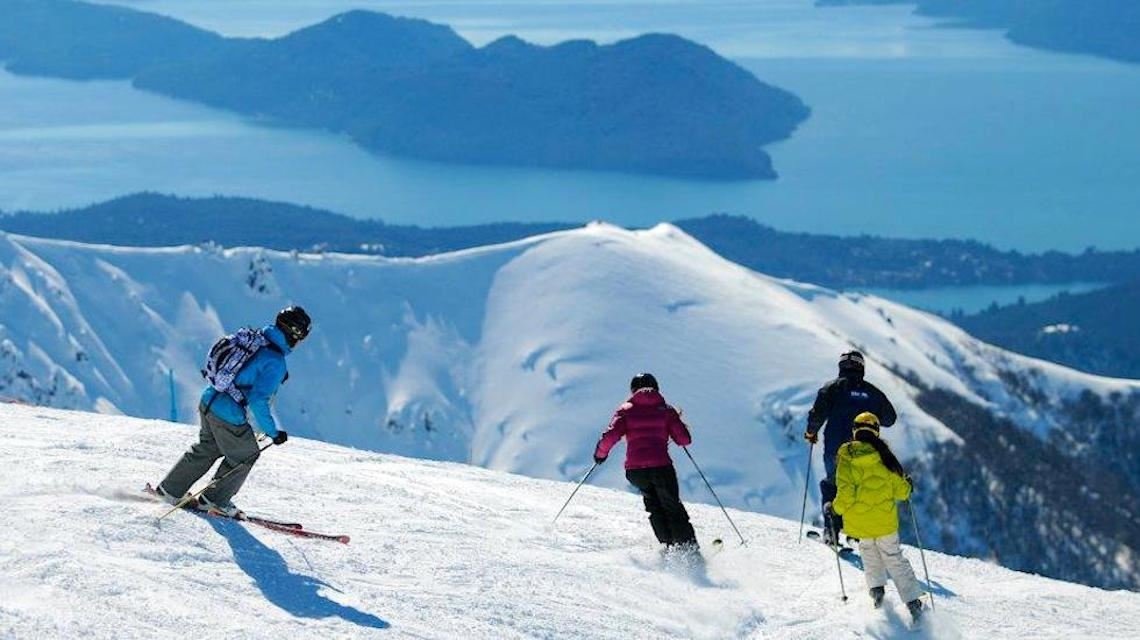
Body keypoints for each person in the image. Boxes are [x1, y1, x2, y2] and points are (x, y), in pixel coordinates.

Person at [154, 305, 312, 517]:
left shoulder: (255, 340)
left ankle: (169, 490)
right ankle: (214, 501)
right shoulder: (275, 361)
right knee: (246, 454)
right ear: (295, 334)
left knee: (208, 447)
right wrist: (273, 432)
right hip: (228, 412)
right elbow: (258, 400)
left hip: (209, 398)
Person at [831, 411, 925, 623]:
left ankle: (877, 593)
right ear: (876, 431)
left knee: (868, 553)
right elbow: (902, 492)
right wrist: (908, 484)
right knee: (893, 558)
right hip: (885, 523)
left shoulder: (846, 456)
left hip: (860, 524)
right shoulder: (885, 456)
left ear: (855, 431)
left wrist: (833, 508)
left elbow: (845, 494)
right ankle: (913, 604)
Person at [594, 373, 698, 551]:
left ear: (633, 390)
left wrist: (601, 454)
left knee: (654, 507)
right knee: (672, 507)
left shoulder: (626, 410)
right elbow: (684, 440)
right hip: (661, 467)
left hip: (636, 471)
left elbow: (610, 435)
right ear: (656, 387)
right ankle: (687, 550)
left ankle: (669, 547)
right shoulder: (665, 409)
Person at [804, 350, 896, 544]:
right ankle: (857, 534)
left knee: (834, 485)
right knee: (859, 486)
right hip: (866, 450)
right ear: (861, 368)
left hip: (835, 447)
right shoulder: (873, 393)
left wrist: (811, 433)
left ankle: (832, 531)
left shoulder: (832, 389)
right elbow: (890, 419)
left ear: (841, 367)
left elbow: (817, 415)